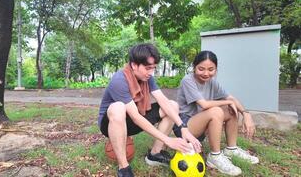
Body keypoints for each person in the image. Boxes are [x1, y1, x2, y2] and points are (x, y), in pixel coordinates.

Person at [98, 43, 201, 177]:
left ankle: (154, 154)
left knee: (172, 105)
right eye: (147, 68)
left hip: (132, 119)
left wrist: (183, 127)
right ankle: (124, 168)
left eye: (153, 68)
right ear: (134, 65)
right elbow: (135, 117)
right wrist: (168, 140)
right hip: (111, 123)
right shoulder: (119, 80)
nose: (150, 72)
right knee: (118, 107)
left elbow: (163, 101)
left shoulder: (147, 78)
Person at [173, 50, 259, 176]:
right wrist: (226, 102)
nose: (206, 73)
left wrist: (246, 114)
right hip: (184, 127)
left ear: (216, 69)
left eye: (211, 69)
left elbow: (232, 98)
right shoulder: (188, 80)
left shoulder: (212, 82)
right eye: (201, 69)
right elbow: (204, 104)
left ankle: (231, 149)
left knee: (231, 109)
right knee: (217, 110)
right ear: (194, 67)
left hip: (200, 124)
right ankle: (215, 156)